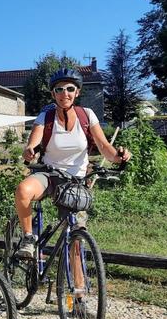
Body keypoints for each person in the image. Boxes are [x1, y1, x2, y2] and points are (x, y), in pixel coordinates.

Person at [14, 68, 131, 260]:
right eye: (59, 89)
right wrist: (30, 150)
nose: (64, 93)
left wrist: (119, 157)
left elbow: (104, 146)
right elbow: (33, 142)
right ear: (53, 94)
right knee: (23, 190)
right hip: (49, 175)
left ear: (77, 92)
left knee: (76, 238)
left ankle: (78, 289)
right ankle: (28, 238)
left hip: (76, 182)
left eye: (70, 88)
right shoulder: (46, 116)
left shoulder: (87, 115)